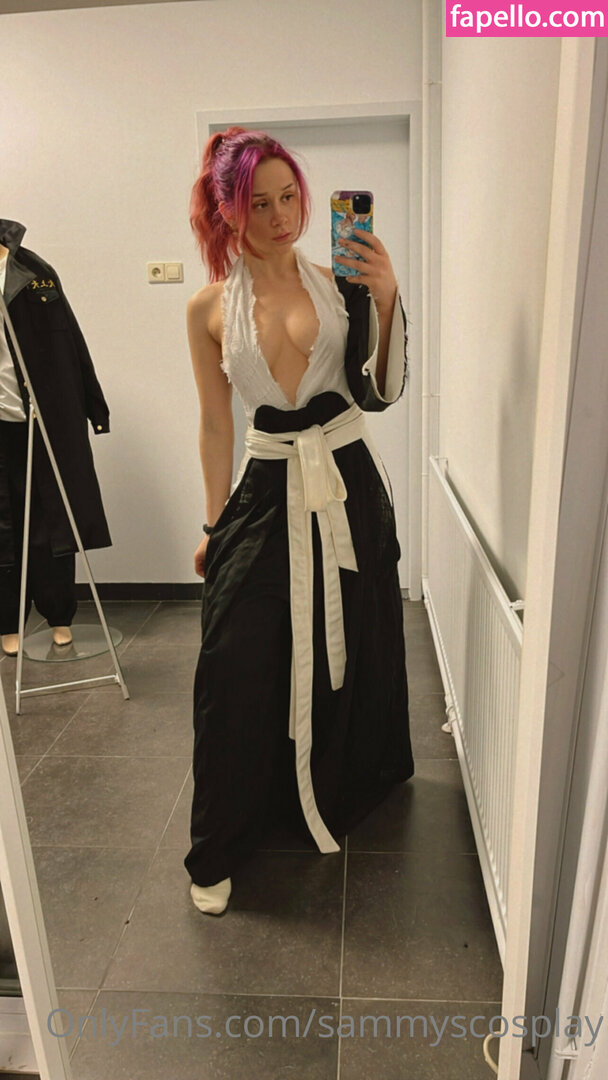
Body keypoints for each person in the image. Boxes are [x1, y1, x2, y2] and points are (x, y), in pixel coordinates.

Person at [184, 128, 414, 916]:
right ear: (228, 209)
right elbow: (216, 424)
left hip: (347, 479)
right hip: (265, 485)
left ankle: (340, 781)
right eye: (260, 202)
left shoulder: (340, 284)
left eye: (290, 197)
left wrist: (386, 297)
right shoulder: (208, 308)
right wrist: (213, 526)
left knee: (355, 633)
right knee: (233, 657)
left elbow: (381, 393)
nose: (281, 216)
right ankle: (219, 842)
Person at [0, 220, 111, 656]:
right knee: (3, 524)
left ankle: (59, 614)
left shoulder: (32, 271)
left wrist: (94, 406)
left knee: (52, 519)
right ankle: (6, 620)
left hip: (39, 417)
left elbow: (71, 341)